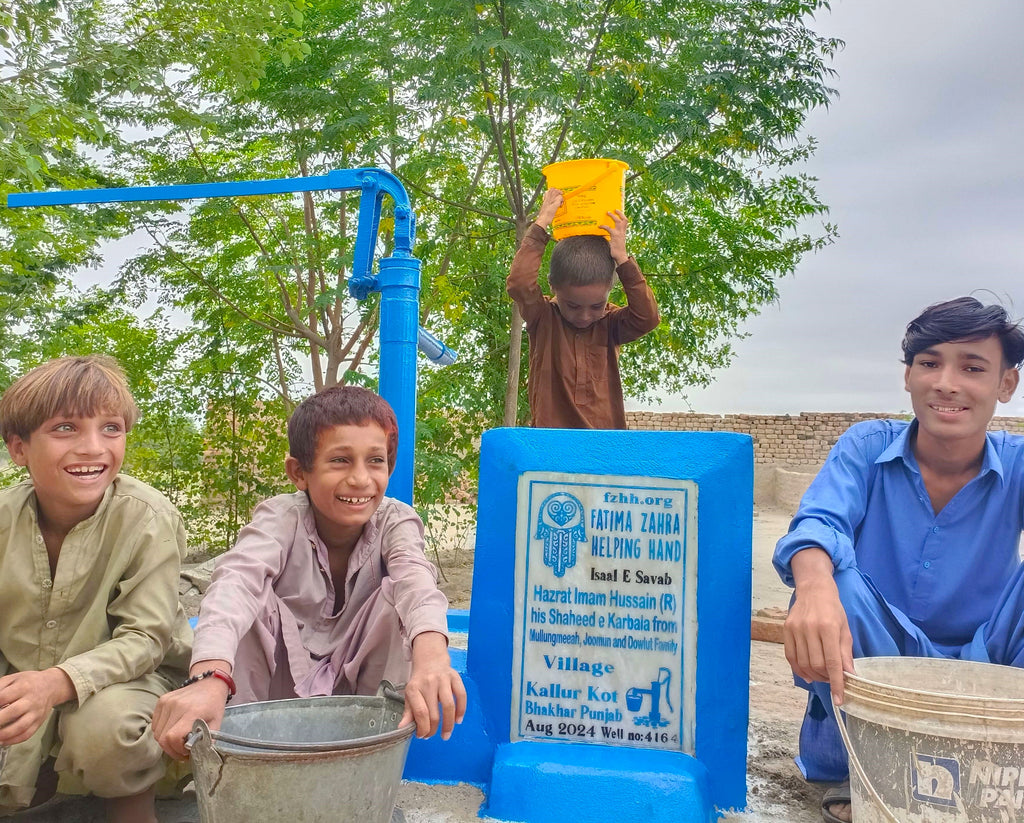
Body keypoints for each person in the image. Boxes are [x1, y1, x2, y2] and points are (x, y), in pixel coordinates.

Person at [773, 297, 1024, 823]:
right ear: (908, 376)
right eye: (929, 363)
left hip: (986, 676)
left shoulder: (1018, 465)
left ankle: (1005, 762)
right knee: (827, 572)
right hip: (870, 679)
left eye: (973, 367)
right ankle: (864, 771)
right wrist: (814, 588)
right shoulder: (866, 446)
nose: (947, 383)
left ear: (1006, 385)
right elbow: (819, 523)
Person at [153, 385, 466, 760]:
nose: (361, 479)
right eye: (340, 461)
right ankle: (238, 755)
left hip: (360, 692)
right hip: (274, 692)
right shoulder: (281, 518)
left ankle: (372, 758)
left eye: (376, 461)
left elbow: (415, 581)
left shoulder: (394, 521)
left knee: (399, 602)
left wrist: (432, 658)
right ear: (299, 472)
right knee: (250, 600)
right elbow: (235, 581)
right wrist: (209, 675)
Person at [0, 355, 192, 822]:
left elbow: (146, 640)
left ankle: (132, 809)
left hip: (132, 683)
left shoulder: (147, 517)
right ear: (19, 449)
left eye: (111, 429)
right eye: (65, 428)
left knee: (105, 729)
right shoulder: (4, 518)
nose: (93, 448)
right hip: (21, 677)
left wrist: (56, 683)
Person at [506, 187, 660, 429]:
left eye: (596, 305)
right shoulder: (544, 317)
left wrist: (622, 258)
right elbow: (519, 284)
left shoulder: (611, 323)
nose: (585, 316)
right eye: (573, 305)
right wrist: (542, 222)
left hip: (603, 446)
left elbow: (647, 318)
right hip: (552, 443)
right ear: (553, 286)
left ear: (610, 289)